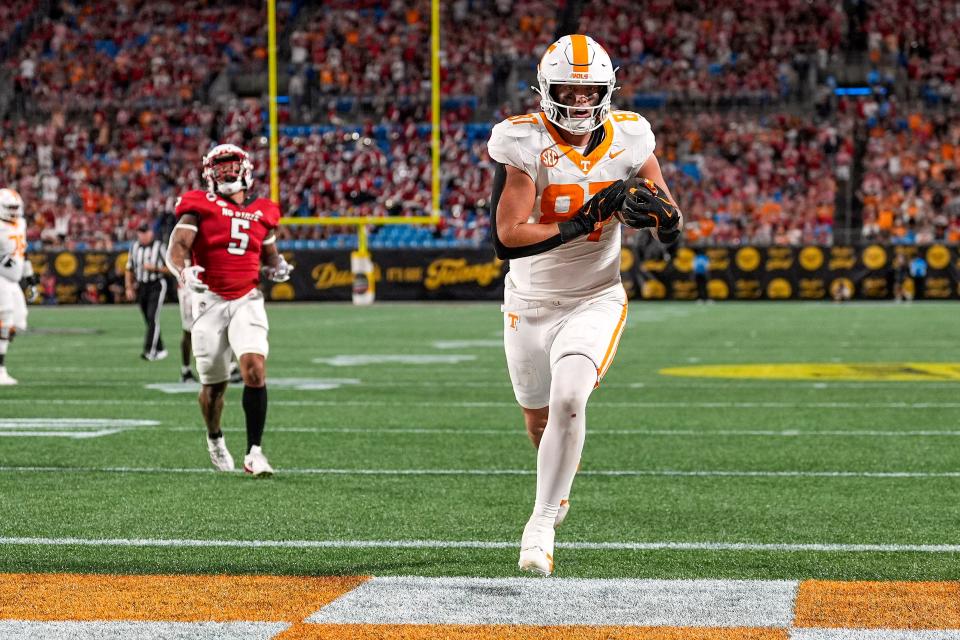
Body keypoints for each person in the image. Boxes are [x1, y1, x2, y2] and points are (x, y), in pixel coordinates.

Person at [487, 34, 681, 576]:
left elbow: (668, 221)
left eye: (588, 90)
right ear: (546, 90)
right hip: (529, 300)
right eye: (568, 91)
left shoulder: (631, 136)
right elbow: (506, 237)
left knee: (571, 397)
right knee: (538, 418)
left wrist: (665, 219)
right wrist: (588, 217)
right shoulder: (522, 140)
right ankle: (557, 489)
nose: (577, 102)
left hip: (594, 296)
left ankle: (540, 524)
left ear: (607, 89)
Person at [165, 144, 292, 477]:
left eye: (231, 165)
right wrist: (182, 270)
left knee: (254, 369)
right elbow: (177, 246)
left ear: (245, 170)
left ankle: (255, 452)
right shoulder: (199, 206)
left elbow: (270, 255)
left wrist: (278, 267)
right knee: (213, 387)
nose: (225, 171)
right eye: (219, 166)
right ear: (209, 173)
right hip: (209, 302)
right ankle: (215, 436)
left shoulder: (264, 212)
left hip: (247, 299)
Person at [0, 188, 36, 385]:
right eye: (9, 208)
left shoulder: (20, 223)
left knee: (18, 322)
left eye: (15, 208)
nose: (13, 212)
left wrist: (29, 277)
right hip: (0, 277)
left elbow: (23, 253)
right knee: (4, 319)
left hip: (13, 280)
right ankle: (0, 369)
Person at [125, 222, 169, 361]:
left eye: (145, 232)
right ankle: (161, 349)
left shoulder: (160, 247)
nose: (142, 235)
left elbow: (170, 268)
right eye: (140, 232)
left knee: (152, 317)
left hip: (157, 284)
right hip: (142, 286)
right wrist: (129, 287)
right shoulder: (134, 247)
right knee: (148, 319)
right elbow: (129, 268)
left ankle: (150, 350)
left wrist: (155, 268)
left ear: (151, 233)